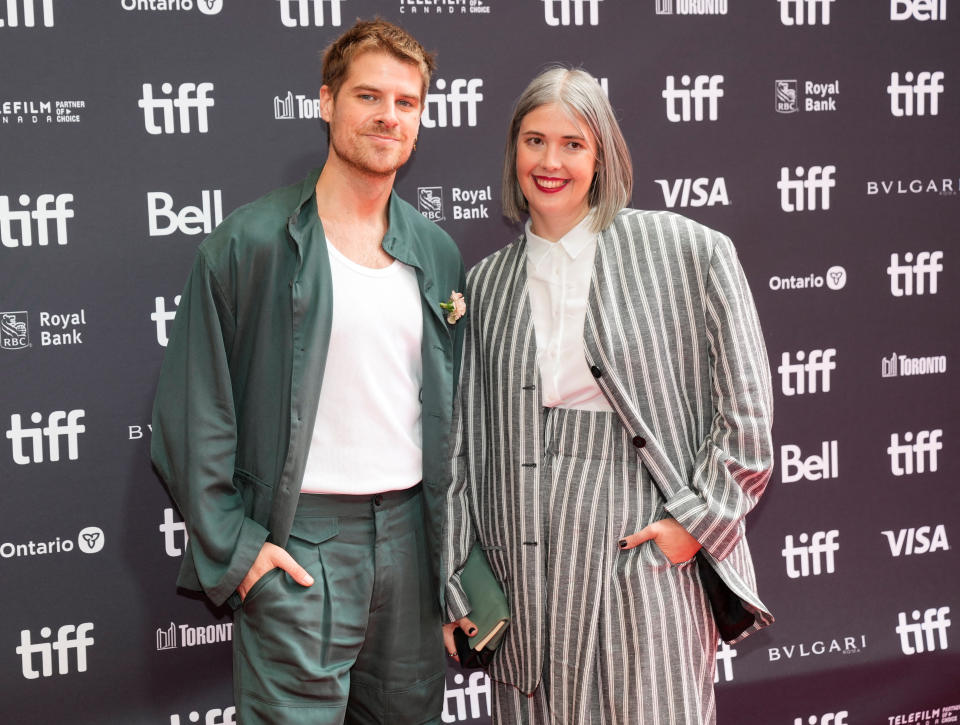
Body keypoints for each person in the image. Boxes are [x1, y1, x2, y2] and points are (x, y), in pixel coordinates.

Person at [151, 18, 466, 725]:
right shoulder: (249, 244)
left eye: (407, 103)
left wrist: (452, 561)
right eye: (368, 96)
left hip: (415, 539)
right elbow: (191, 416)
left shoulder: (438, 252)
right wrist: (242, 550)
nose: (389, 116)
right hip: (301, 541)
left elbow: (454, 417)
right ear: (325, 103)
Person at [444, 67, 774, 725]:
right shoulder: (482, 286)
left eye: (573, 143)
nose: (551, 161)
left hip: (640, 540)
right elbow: (460, 444)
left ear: (602, 157)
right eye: (535, 140)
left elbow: (747, 414)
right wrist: (458, 582)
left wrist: (696, 523)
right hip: (523, 558)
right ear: (514, 152)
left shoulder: (688, 250)